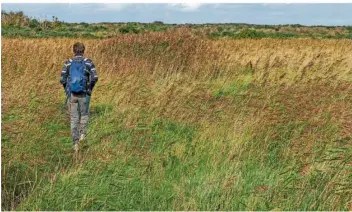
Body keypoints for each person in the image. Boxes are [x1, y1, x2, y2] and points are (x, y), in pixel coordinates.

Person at [60, 42, 98, 152]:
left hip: (72, 95)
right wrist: (89, 89)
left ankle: (75, 143)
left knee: (74, 118)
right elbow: (95, 77)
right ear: (83, 50)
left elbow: (62, 79)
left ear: (74, 51)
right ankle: (83, 135)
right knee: (84, 115)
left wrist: (68, 91)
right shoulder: (88, 63)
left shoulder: (68, 63)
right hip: (84, 94)